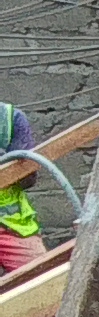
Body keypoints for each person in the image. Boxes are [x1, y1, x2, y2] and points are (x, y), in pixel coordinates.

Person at [0, 100, 47, 281]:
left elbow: (29, 178)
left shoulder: (9, 118)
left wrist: (7, 164)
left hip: (12, 223)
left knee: (44, 282)